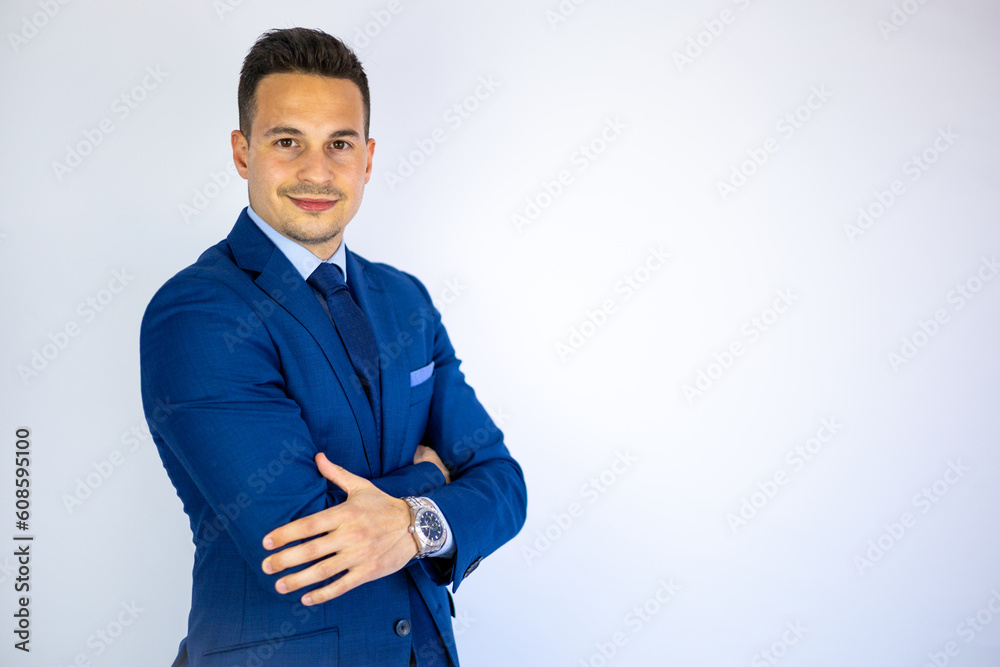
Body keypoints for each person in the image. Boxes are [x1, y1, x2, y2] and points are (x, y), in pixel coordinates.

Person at [140, 27, 527, 667]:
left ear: (368, 159)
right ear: (242, 152)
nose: (317, 171)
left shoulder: (407, 299)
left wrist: (407, 522)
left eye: (339, 144)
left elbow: (505, 485)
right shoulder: (199, 312)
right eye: (287, 141)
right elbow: (297, 545)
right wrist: (433, 479)